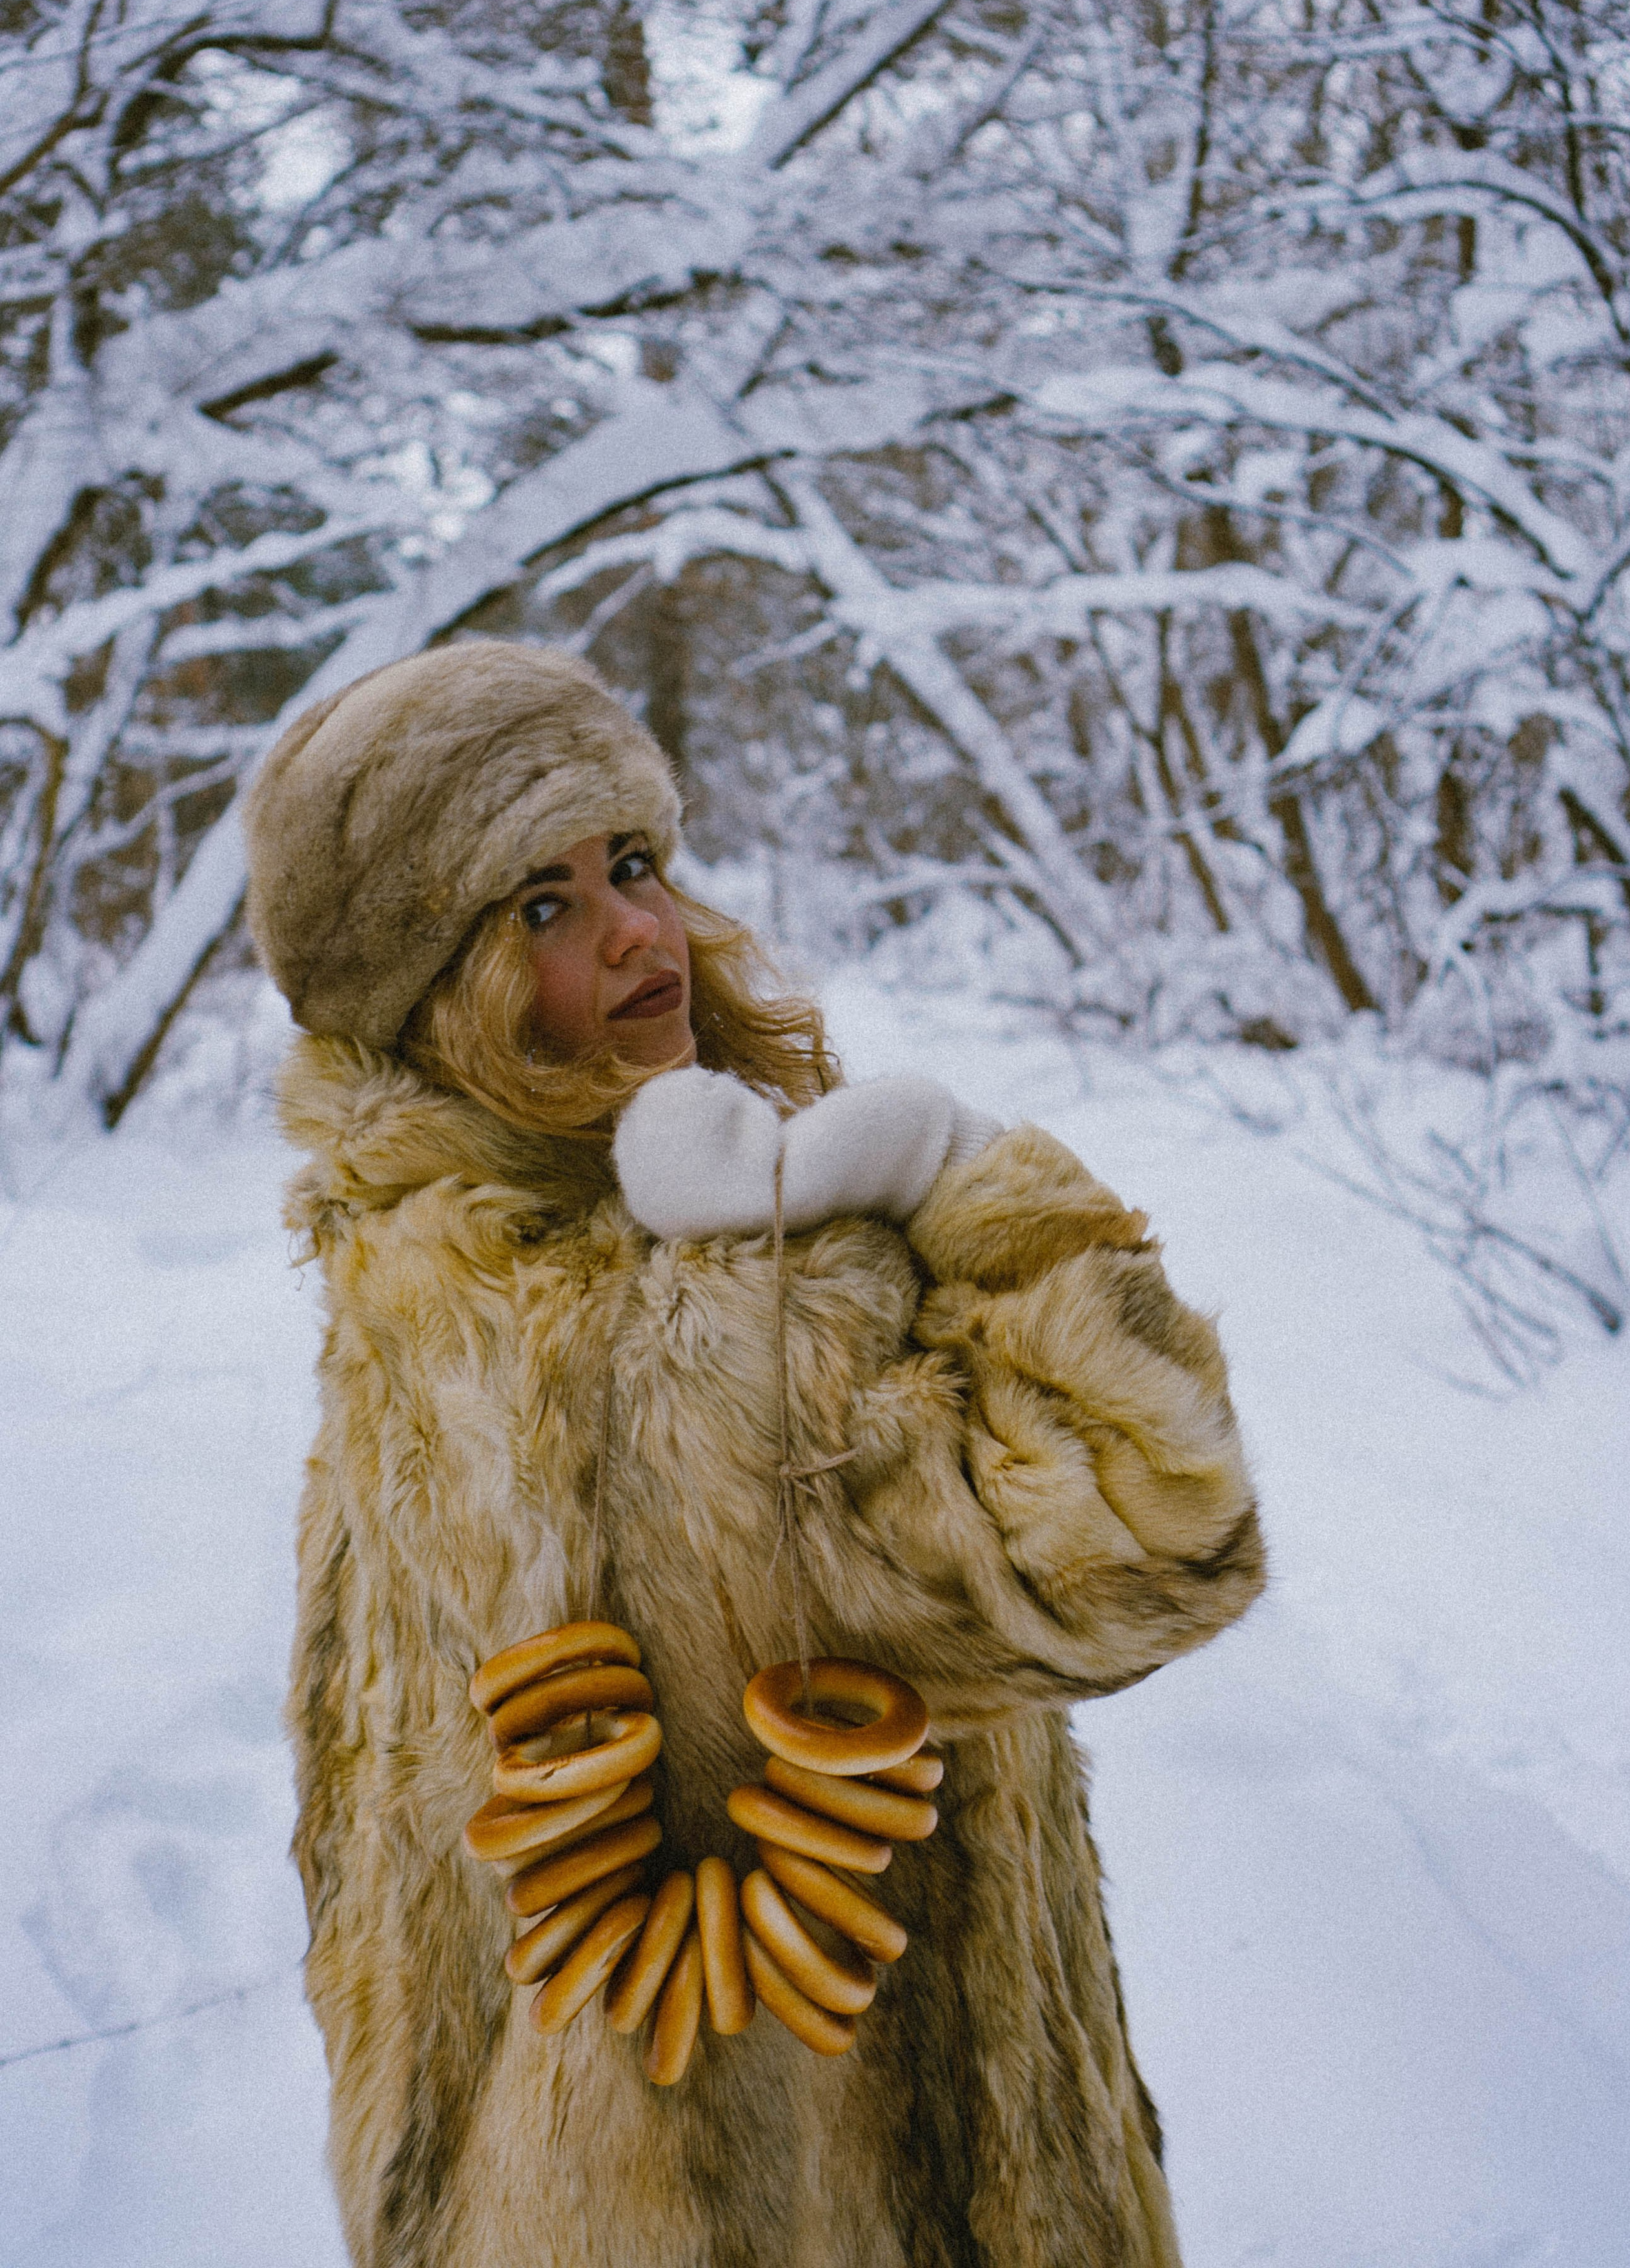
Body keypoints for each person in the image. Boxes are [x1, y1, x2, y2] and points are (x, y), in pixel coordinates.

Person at [243, 638, 1265, 2268]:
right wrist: (962, 1172)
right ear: (429, 985)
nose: (641, 931)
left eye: (631, 863)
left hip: (513, 2193)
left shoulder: (401, 1278)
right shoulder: (699, 1314)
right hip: (833, 2200)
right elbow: (1159, 1523)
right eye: (540, 906)